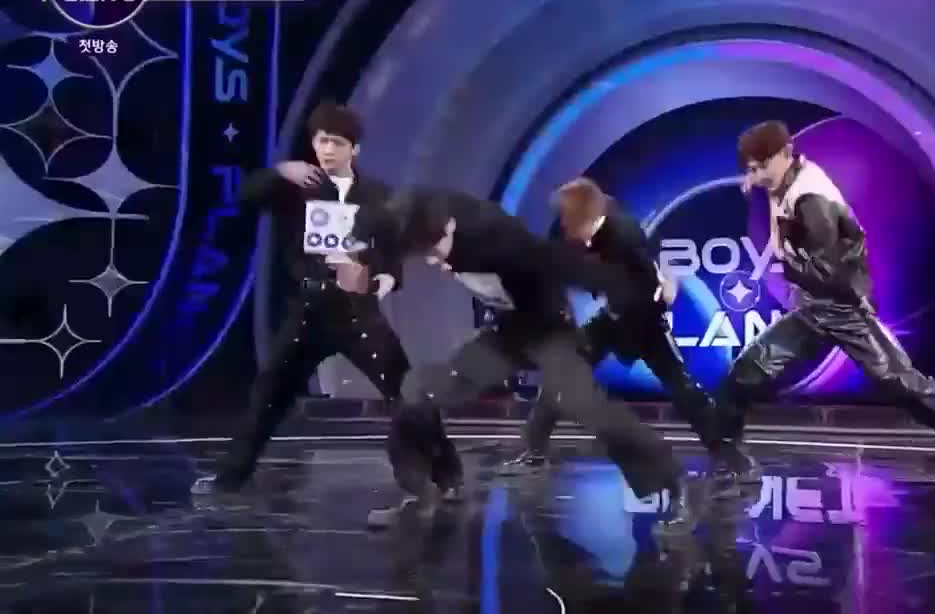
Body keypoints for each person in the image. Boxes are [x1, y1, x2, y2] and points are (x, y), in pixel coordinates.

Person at [357, 187, 695, 534]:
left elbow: (562, 263)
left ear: (450, 227)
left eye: (436, 252)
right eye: (424, 255)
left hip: (548, 328)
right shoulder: (424, 216)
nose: (434, 263)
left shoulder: (498, 237)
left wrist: (628, 287)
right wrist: (377, 264)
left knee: (584, 405)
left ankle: (671, 484)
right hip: (507, 333)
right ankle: (426, 489)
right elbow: (388, 224)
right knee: (418, 389)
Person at [725, 121, 935, 503]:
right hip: (813, 308)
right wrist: (758, 185)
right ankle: (733, 463)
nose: (756, 177)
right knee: (745, 373)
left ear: (785, 153)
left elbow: (830, 274)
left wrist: (791, 270)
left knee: (902, 385)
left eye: (761, 168)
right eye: (751, 169)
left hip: (842, 307)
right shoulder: (783, 180)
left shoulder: (811, 199)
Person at [192, 102, 410, 495]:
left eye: (336, 142)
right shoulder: (298, 187)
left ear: (354, 149)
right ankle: (230, 479)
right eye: (321, 141)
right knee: (268, 394)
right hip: (307, 310)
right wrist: (280, 170)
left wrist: (379, 282)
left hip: (357, 311)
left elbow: (392, 256)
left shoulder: (377, 196)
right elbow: (244, 198)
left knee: (406, 391)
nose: (327, 150)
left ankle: (441, 475)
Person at [498, 178, 760, 495]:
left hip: (643, 319)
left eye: (568, 219)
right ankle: (534, 453)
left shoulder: (625, 236)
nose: (564, 226)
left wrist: (663, 293)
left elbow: (652, 288)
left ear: (583, 217)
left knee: (682, 388)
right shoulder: (582, 229)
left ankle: (731, 458)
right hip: (612, 315)